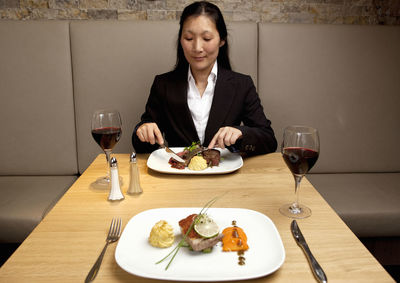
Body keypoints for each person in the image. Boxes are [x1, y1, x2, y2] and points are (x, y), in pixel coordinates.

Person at [132, 1, 277, 156]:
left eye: (206, 38)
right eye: (189, 38)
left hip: (224, 175)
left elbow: (269, 140)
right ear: (180, 40)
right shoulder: (163, 84)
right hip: (178, 175)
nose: (197, 48)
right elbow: (143, 145)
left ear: (222, 40)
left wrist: (241, 134)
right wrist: (143, 131)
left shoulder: (242, 85)